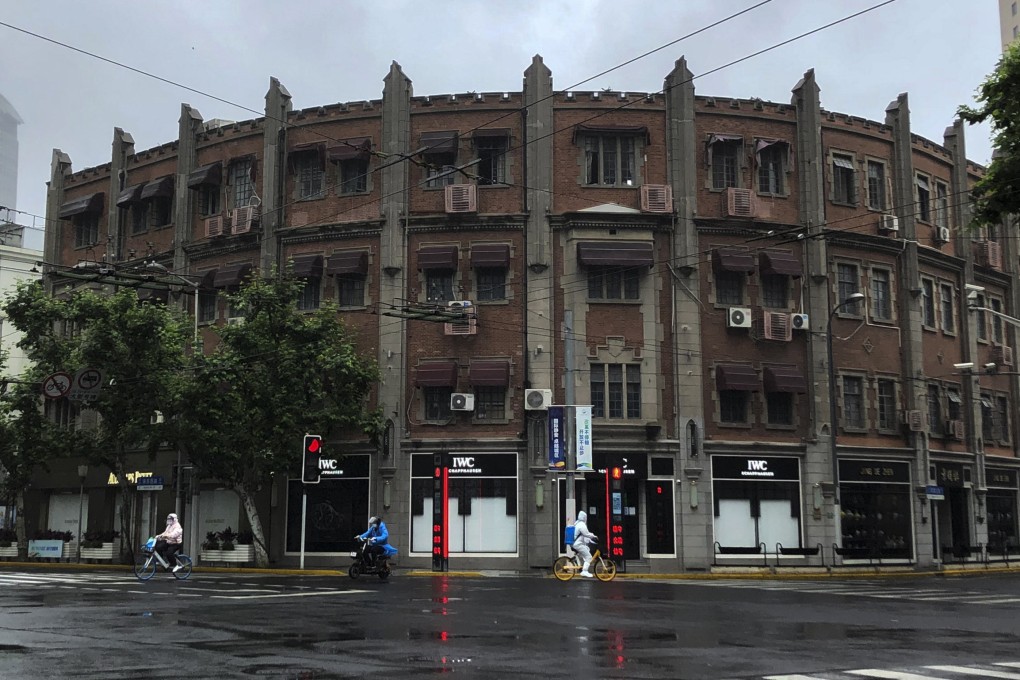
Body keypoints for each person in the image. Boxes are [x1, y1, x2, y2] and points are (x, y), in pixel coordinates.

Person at [571, 511, 598, 578]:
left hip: (575, 544)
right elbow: (586, 534)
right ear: (584, 517)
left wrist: (590, 539)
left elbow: (584, 536)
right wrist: (594, 536)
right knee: (589, 557)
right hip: (577, 544)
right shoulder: (582, 525)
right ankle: (584, 571)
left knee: (586, 551)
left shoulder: (577, 523)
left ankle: (581, 567)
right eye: (585, 517)